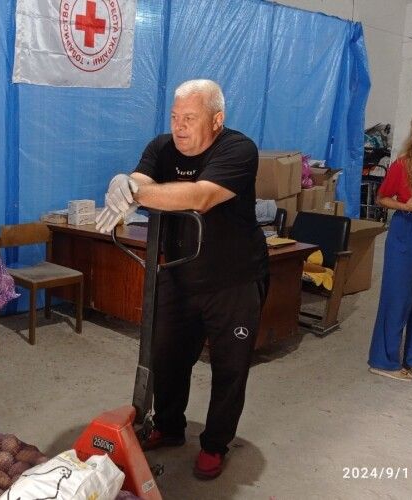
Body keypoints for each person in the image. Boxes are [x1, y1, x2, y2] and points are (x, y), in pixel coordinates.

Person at [96, 79, 269, 480]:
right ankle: (170, 426)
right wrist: (126, 181)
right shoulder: (161, 147)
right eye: (175, 117)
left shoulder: (238, 150)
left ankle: (215, 444)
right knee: (167, 357)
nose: (180, 127)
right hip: (176, 273)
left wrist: (139, 194)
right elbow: (142, 180)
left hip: (234, 280)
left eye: (190, 118)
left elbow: (201, 197)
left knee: (230, 367)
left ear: (217, 120)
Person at [368, 107, 412, 381]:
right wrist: (404, 205)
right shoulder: (405, 163)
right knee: (398, 296)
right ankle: (383, 360)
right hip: (407, 228)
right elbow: (382, 198)